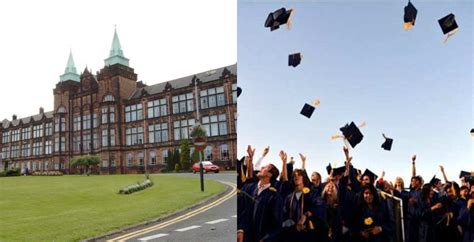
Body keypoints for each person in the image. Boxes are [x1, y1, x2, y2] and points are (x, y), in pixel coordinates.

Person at [237, 161, 282, 242]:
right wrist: (240, 229)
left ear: (269, 175)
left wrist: (265, 239)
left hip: (261, 238)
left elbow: (276, 223)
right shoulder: (247, 188)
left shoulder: (275, 196)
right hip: (244, 236)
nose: (261, 168)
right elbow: (240, 209)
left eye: (265, 167)